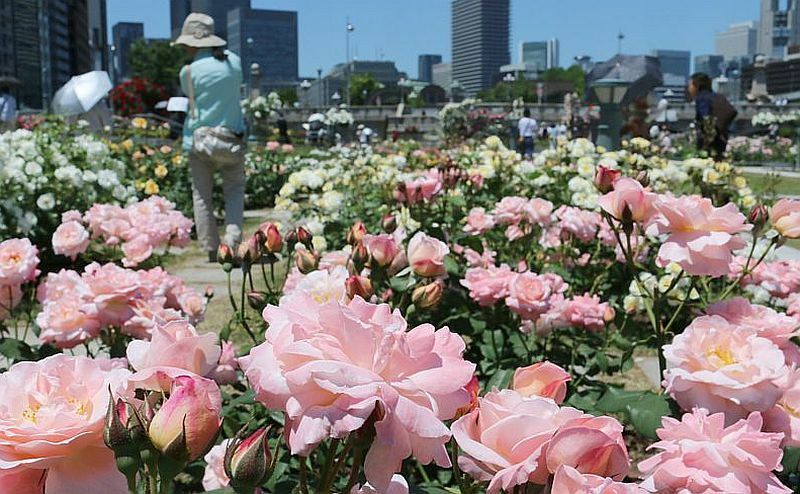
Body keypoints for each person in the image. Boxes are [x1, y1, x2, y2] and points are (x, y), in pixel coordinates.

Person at [175, 13, 246, 262]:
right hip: (231, 138)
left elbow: (193, 99)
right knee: (234, 190)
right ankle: (233, 240)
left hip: (201, 140)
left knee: (202, 195)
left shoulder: (189, 72)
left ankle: (211, 247)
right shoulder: (234, 63)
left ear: (190, 43)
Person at [687, 72, 737, 159]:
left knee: (706, 165)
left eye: (690, 85)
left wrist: (707, 139)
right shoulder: (715, 96)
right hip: (721, 137)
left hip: (709, 141)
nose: (688, 88)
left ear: (696, 86)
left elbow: (706, 117)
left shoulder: (701, 98)